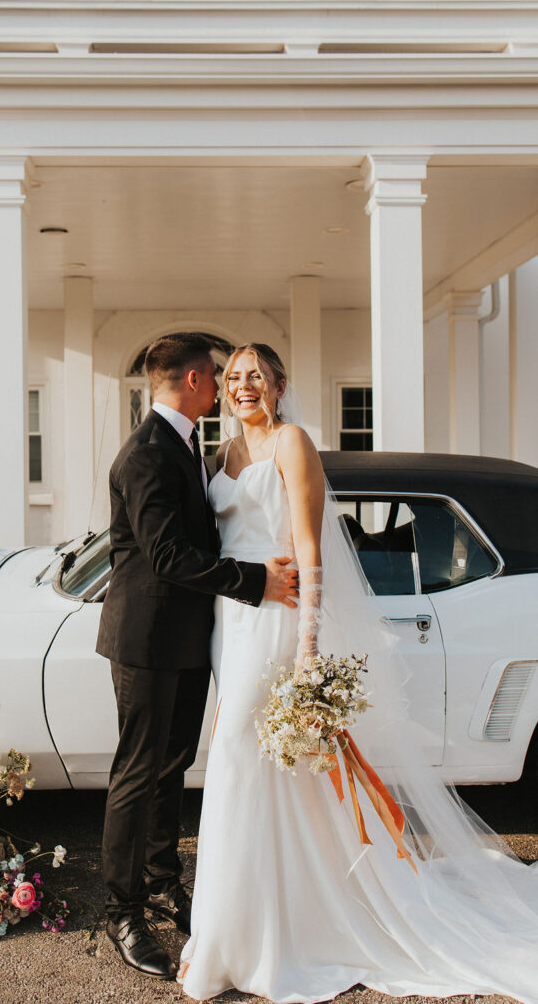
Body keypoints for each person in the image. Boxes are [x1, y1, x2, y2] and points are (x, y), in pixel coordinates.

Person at [178, 342, 538, 1004]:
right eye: (232, 377)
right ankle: (259, 919)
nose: (242, 385)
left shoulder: (292, 443)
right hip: (231, 625)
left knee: (232, 758)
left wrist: (308, 647)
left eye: (255, 375)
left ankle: (241, 938)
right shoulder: (220, 457)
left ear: (279, 385)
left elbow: (311, 549)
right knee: (254, 770)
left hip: (280, 622)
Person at [96, 333, 299, 981]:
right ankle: (123, 911)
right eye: (214, 376)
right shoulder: (146, 453)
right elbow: (165, 557)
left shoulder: (187, 445)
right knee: (137, 772)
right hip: (147, 640)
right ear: (190, 379)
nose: (221, 385)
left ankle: (161, 884)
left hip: (187, 638)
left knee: (170, 767)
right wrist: (254, 581)